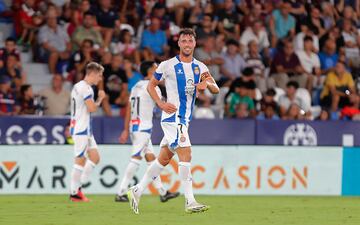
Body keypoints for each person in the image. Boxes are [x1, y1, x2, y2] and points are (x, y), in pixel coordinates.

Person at [127, 28, 219, 214]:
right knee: (186, 153)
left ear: (194, 43)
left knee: (164, 158)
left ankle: (137, 190)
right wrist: (160, 103)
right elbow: (151, 86)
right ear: (178, 43)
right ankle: (190, 201)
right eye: (183, 41)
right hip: (172, 117)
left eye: (190, 41)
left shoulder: (200, 67)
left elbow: (216, 88)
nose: (186, 44)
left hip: (184, 119)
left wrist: (206, 84)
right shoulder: (167, 65)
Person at [115, 61, 179, 202]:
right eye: (156, 67)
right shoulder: (153, 87)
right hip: (143, 128)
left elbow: (128, 108)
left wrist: (126, 129)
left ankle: (163, 192)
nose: (158, 70)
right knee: (136, 158)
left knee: (151, 159)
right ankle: (121, 192)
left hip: (135, 126)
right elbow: (163, 105)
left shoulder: (136, 86)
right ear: (151, 71)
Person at [69, 62, 106, 202]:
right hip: (81, 129)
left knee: (95, 157)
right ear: (92, 73)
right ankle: (74, 192)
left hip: (84, 129)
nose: (100, 78)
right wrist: (100, 99)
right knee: (80, 159)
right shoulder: (86, 88)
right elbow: (92, 108)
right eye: (100, 75)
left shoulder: (78, 86)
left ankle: (78, 187)